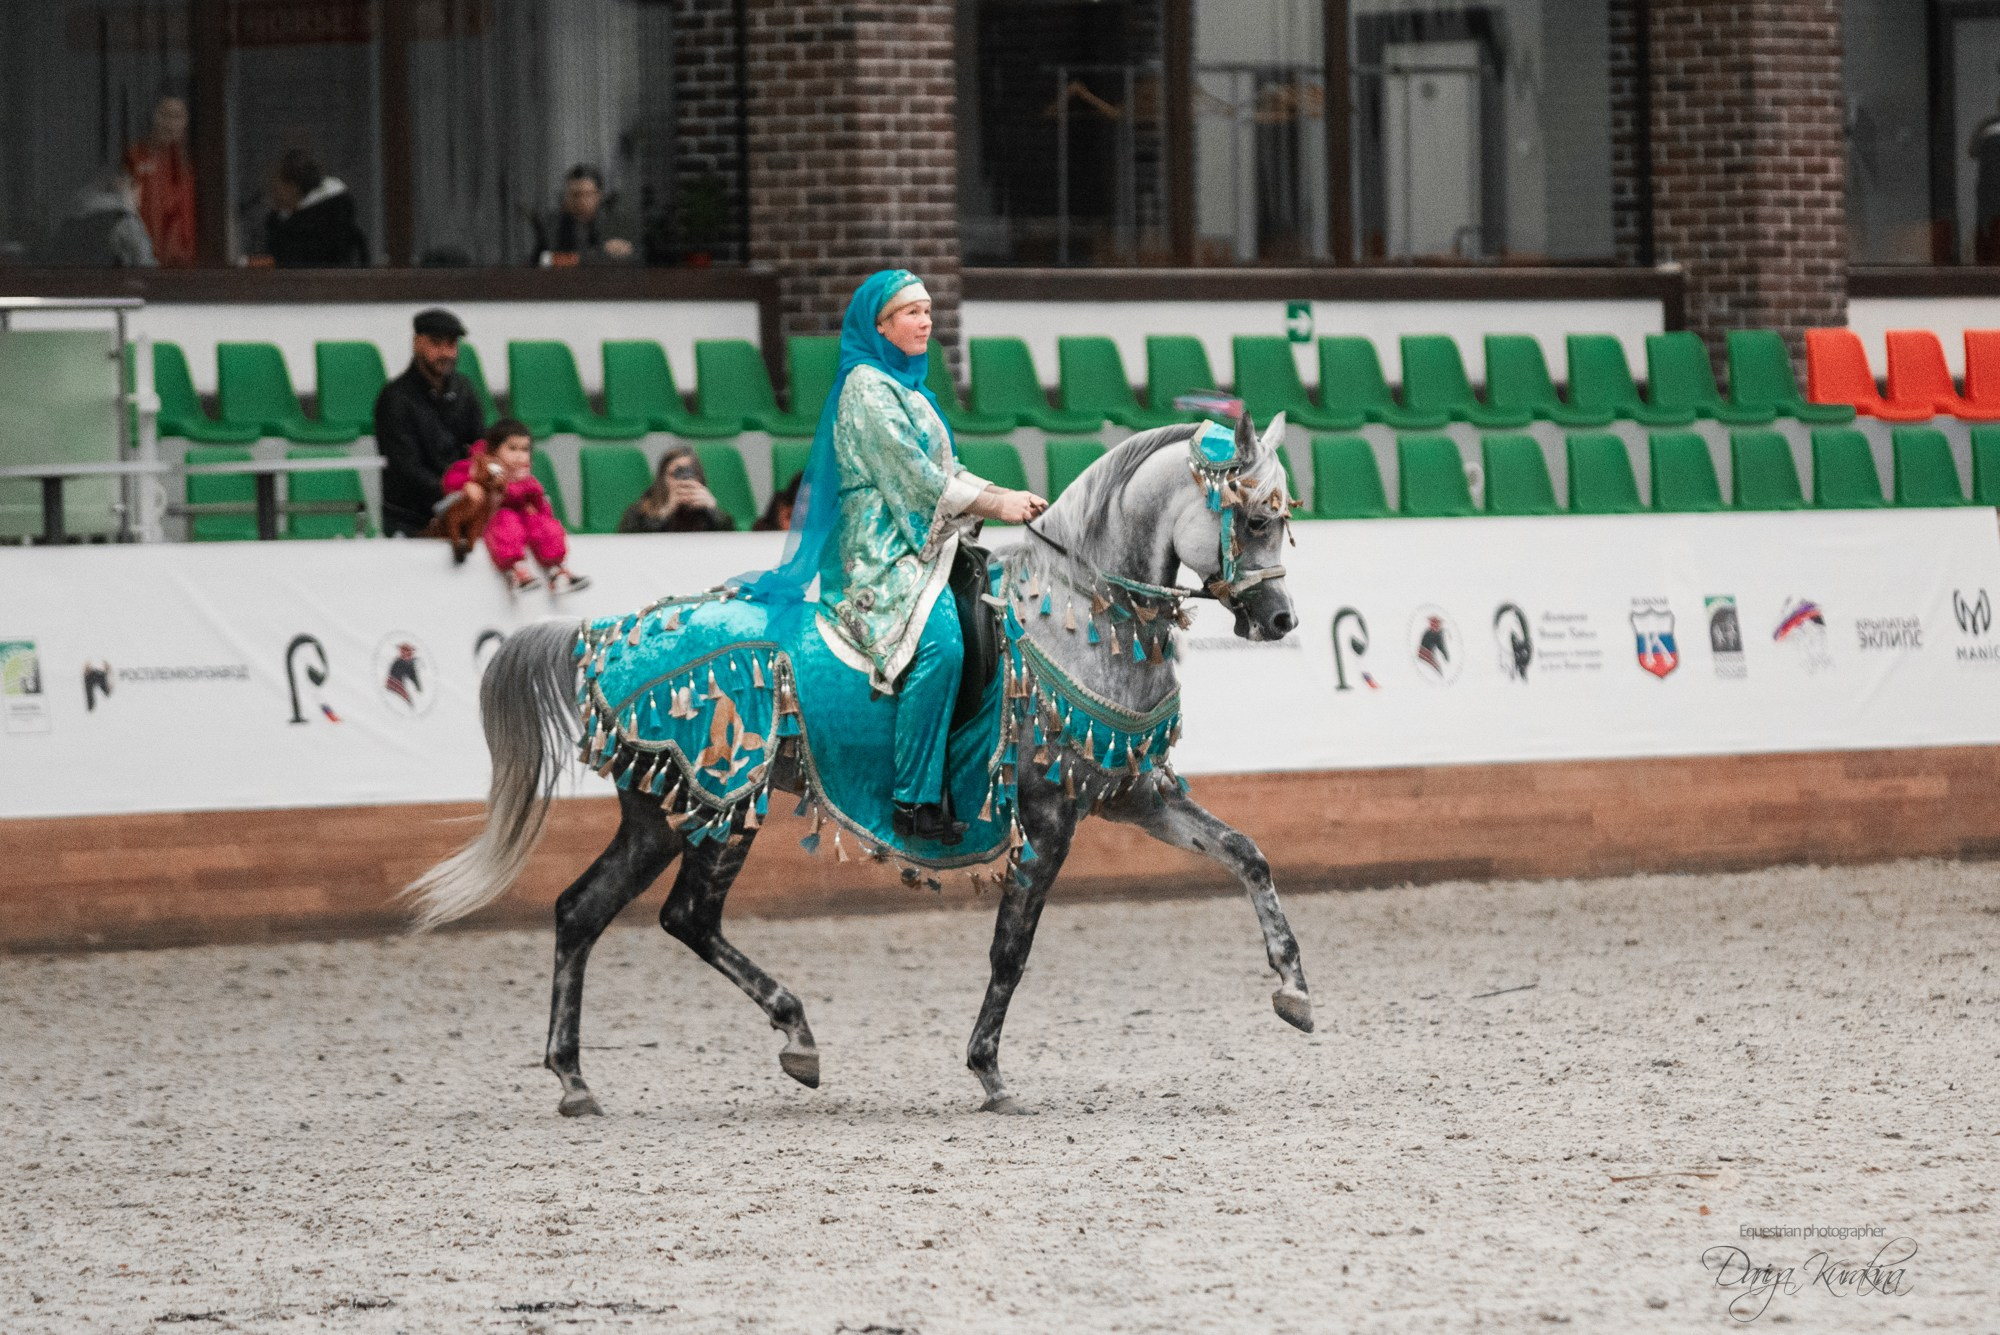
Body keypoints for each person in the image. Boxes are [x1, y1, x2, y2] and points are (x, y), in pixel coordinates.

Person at [740, 269, 1045, 844]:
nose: (926, 321)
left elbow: (945, 472)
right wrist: (997, 507)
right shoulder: (865, 385)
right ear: (879, 326)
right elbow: (912, 478)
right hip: (878, 552)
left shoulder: (908, 389)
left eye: (928, 310)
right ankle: (912, 799)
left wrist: (1004, 495)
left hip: (919, 540)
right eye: (911, 312)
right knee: (942, 645)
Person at [442, 420, 589, 593]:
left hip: (522, 518)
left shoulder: (526, 479)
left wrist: (538, 508)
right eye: (512, 449)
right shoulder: (478, 467)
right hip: (492, 518)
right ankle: (516, 571)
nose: (520, 456)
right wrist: (468, 484)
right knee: (507, 522)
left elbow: (540, 505)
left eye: (525, 449)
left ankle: (556, 570)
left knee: (544, 524)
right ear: (493, 451)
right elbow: (450, 479)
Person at [374, 308, 484, 537]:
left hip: (458, 508)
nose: (445, 352)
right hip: (409, 519)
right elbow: (406, 468)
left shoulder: (464, 389)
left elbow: (479, 443)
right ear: (417, 343)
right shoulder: (395, 398)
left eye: (451, 344)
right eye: (436, 343)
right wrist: (457, 490)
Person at [124, 95, 195, 266]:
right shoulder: (135, 157)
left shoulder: (190, 163)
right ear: (153, 116)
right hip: (145, 260)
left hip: (186, 263)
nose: (170, 123)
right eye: (165, 115)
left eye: (177, 116)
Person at [264, 149, 367, 267]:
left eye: (277, 185)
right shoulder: (282, 221)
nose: (274, 192)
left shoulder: (325, 223)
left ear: (292, 186)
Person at [42, 168, 155, 267]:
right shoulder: (123, 220)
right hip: (112, 288)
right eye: (135, 187)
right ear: (122, 184)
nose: (139, 197)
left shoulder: (71, 218)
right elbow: (144, 263)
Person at [530, 164, 637, 265]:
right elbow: (541, 260)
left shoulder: (616, 222)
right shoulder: (552, 224)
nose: (581, 201)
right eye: (575, 195)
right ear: (566, 197)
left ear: (599, 196)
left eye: (588, 195)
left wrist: (625, 251)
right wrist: (582, 259)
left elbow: (638, 257)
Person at [618, 446, 736, 533]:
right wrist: (664, 514)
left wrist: (714, 512)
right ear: (662, 479)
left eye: (690, 473)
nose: (683, 481)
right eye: (676, 474)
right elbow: (629, 541)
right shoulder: (641, 511)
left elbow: (729, 541)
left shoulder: (706, 513)